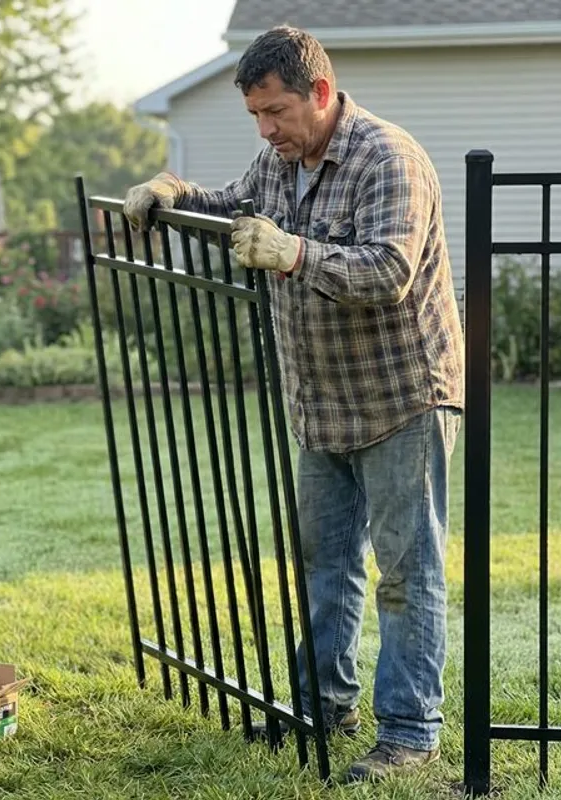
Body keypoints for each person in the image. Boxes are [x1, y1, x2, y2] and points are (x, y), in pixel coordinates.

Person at [123, 25, 464, 784]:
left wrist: (296, 252)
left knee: (407, 574)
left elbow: (389, 271)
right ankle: (324, 706)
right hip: (320, 403)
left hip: (402, 396)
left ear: (319, 91)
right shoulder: (282, 160)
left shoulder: (386, 158)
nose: (266, 129)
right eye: (254, 116)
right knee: (325, 563)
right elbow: (233, 204)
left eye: (275, 112)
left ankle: (410, 734)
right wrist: (172, 190)